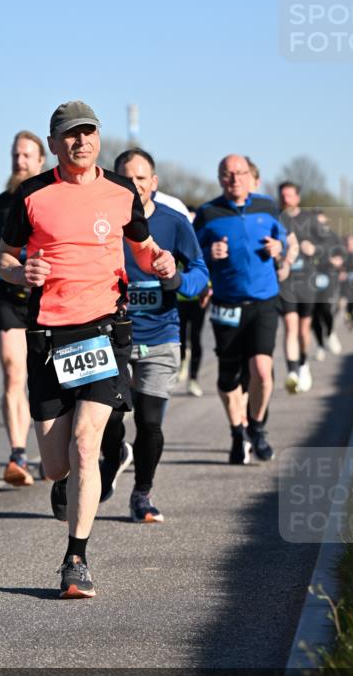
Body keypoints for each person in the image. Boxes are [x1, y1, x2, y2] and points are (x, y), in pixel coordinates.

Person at [0, 101, 176, 598]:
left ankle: (75, 558)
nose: (81, 142)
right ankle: (79, 474)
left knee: (85, 444)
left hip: (105, 330)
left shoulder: (120, 192)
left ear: (99, 138)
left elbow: (142, 247)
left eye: (88, 133)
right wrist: (18, 271)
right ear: (55, 145)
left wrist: (160, 261)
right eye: (70, 135)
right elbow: (3, 257)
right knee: (56, 465)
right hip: (49, 336)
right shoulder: (32, 195)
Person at [90, 148, 208, 523]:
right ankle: (113, 455)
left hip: (160, 335)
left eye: (142, 178)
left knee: (150, 422)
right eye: (128, 177)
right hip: (110, 335)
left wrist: (175, 279)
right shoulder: (101, 221)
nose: (135, 185)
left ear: (153, 183)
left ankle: (142, 494)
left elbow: (200, 273)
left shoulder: (174, 223)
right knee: (108, 417)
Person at [194, 156, 286, 464]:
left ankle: (257, 428)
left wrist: (278, 247)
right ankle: (237, 432)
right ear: (220, 178)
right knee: (228, 377)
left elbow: (282, 238)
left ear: (251, 177)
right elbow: (191, 257)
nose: (235, 178)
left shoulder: (267, 206)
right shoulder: (208, 213)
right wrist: (209, 253)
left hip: (264, 301)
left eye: (240, 173)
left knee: (262, 370)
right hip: (226, 303)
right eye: (228, 174)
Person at [0, 131, 46, 485]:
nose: (19, 161)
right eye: (15, 155)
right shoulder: (0, 204)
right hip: (9, 297)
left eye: (26, 156)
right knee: (12, 369)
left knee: (47, 379)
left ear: (40, 161)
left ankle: (51, 452)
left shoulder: (52, 198)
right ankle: (17, 454)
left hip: (46, 299)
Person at [277, 182, 320, 394]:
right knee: (290, 326)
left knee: (304, 330)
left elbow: (329, 245)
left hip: (307, 282)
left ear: (297, 198)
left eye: (290, 196)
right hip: (286, 281)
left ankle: (304, 365)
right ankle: (292, 373)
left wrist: (314, 248)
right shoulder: (276, 219)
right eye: (283, 196)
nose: (286, 199)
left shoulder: (310, 219)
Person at [310, 212, 344, 360]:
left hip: (328, 276)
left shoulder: (333, 236)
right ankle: (320, 346)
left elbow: (342, 254)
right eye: (318, 222)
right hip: (310, 278)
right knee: (314, 314)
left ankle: (330, 333)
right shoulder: (308, 237)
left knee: (325, 308)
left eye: (323, 221)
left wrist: (339, 261)